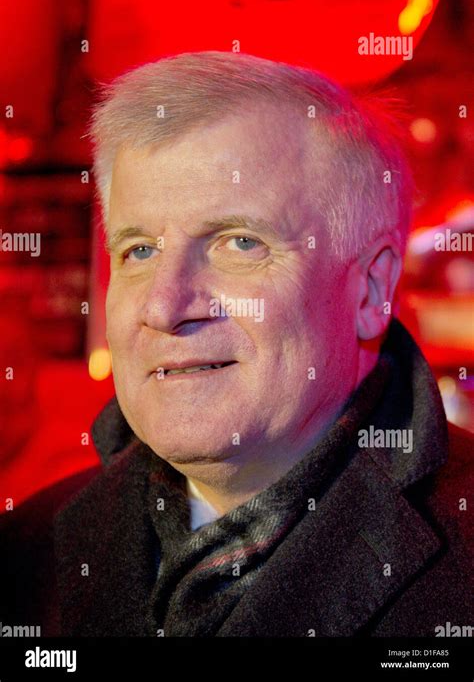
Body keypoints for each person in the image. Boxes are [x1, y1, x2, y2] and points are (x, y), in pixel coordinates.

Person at [1, 51, 472, 637]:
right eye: (139, 251)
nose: (164, 307)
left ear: (370, 289)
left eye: (239, 243)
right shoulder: (20, 556)